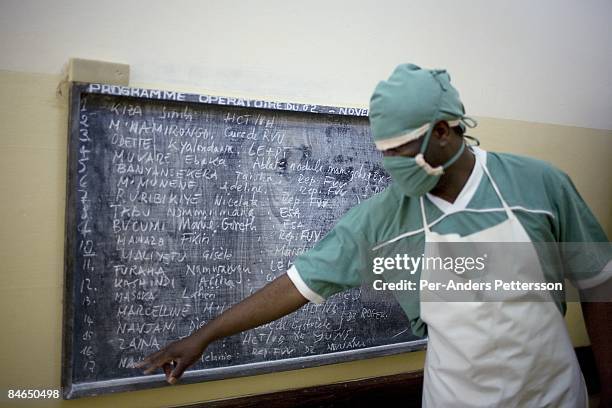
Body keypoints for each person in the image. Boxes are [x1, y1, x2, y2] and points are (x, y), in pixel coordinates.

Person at [137, 64, 612, 407]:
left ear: (444, 132)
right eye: (384, 152)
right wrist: (204, 336)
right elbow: (298, 283)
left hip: (553, 394)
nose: (391, 166)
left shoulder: (538, 186)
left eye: (402, 152)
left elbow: (598, 284)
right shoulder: (382, 220)